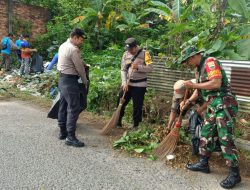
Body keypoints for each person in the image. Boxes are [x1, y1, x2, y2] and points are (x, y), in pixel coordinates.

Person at [179, 46, 240, 189]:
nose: (187, 63)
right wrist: (187, 102)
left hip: (224, 104)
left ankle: (235, 174)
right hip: (213, 105)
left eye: (187, 60)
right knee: (206, 133)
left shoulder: (210, 62)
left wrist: (194, 84)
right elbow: (200, 90)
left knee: (225, 137)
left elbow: (216, 83)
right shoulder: (199, 68)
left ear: (194, 56)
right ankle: (203, 163)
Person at [57, 28, 88, 147]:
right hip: (70, 81)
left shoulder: (63, 45)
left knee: (63, 105)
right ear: (75, 37)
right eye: (80, 39)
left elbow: (75, 61)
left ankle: (62, 132)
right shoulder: (74, 49)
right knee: (73, 108)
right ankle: (70, 137)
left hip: (62, 79)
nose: (81, 42)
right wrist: (85, 81)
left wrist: (81, 62)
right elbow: (80, 68)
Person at [116, 37, 153, 129]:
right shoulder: (125, 54)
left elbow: (151, 68)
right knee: (120, 102)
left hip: (140, 85)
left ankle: (135, 125)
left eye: (131, 49)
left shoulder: (146, 54)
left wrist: (138, 67)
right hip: (127, 84)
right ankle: (118, 122)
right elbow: (123, 69)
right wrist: (124, 82)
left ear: (136, 46)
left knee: (137, 106)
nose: (130, 51)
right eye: (128, 49)